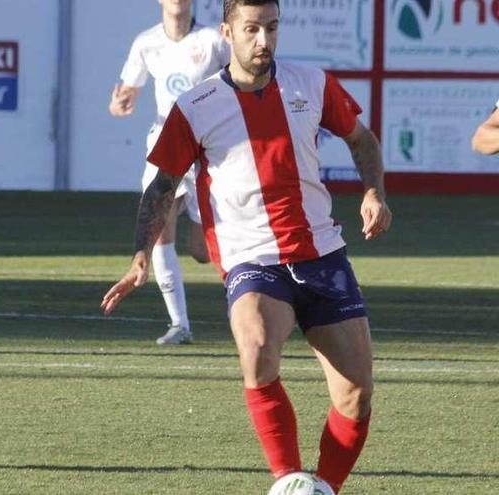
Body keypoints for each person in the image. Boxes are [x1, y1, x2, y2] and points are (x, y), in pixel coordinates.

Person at [101, 0, 392, 492]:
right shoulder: (196, 106)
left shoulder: (311, 84)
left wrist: (373, 192)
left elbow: (362, 140)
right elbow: (161, 187)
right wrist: (139, 256)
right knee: (256, 344)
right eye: (252, 29)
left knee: (356, 396)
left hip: (321, 252)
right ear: (227, 33)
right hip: (251, 258)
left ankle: (321, 489)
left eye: (272, 28)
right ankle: (286, 480)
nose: (264, 40)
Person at [109, 0, 228, 345]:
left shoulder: (213, 40)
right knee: (159, 229)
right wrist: (119, 104)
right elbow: (125, 92)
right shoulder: (146, 42)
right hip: (165, 146)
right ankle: (180, 326)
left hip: (208, 149)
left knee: (204, 251)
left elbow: (239, 81)